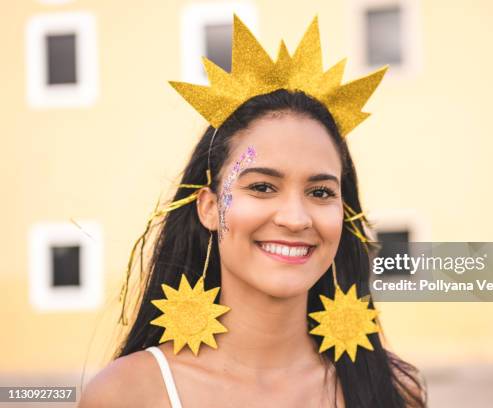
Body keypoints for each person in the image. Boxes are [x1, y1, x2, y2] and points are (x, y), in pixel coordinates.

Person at [79, 15, 427, 408]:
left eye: (320, 191)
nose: (295, 218)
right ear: (209, 208)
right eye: (262, 187)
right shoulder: (129, 394)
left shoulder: (394, 391)